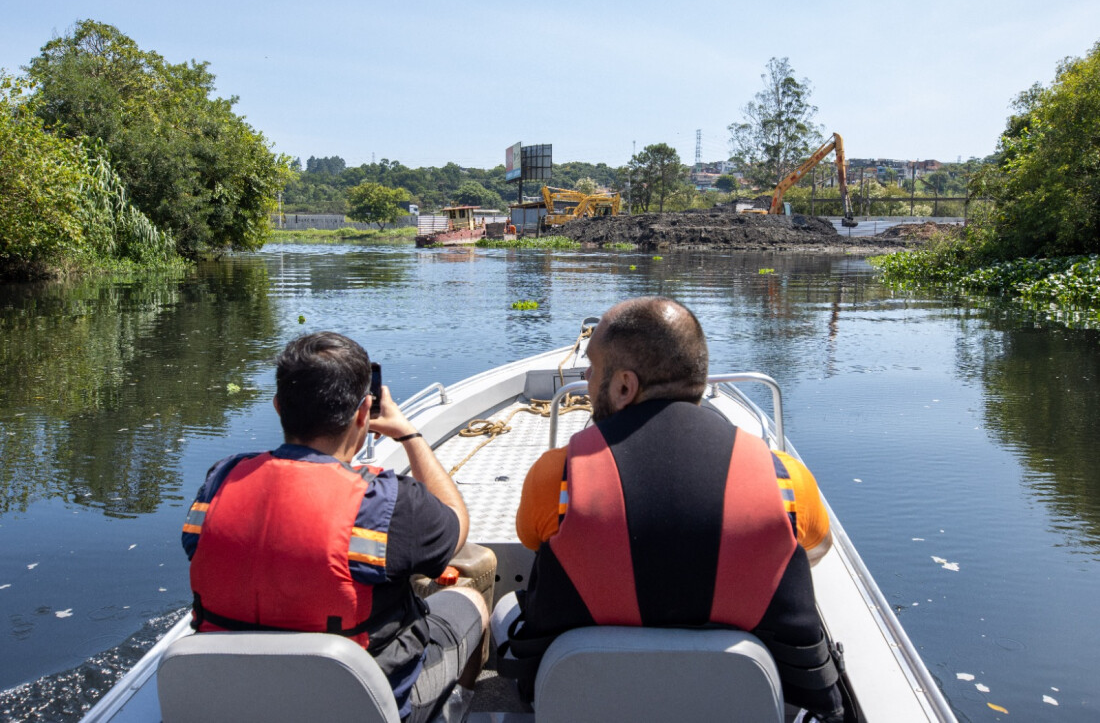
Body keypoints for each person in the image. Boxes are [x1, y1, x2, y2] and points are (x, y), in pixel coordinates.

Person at [504, 297, 845, 722]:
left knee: (505, 614)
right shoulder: (785, 477)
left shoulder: (557, 475)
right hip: (749, 701)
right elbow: (816, 548)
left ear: (625, 386)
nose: (587, 378)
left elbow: (533, 541)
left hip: (587, 699)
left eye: (592, 368)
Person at [181, 332, 488, 723]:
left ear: (278, 408)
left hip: (233, 699)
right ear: (364, 413)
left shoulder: (219, 481)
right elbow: (455, 521)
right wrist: (409, 435)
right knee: (471, 602)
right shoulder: (387, 503)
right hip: (354, 704)